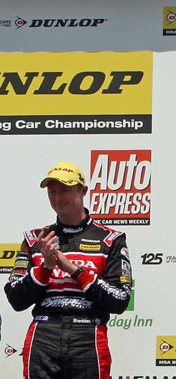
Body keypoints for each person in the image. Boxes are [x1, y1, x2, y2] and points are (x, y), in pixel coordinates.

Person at [4, 161, 132, 379]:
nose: (57, 198)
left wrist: (74, 270)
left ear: (83, 191)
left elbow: (120, 300)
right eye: (52, 192)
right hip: (44, 332)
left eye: (64, 191)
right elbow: (16, 299)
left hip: (88, 333)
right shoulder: (35, 239)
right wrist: (45, 268)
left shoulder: (110, 239)